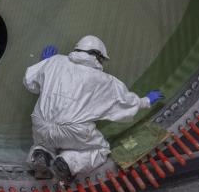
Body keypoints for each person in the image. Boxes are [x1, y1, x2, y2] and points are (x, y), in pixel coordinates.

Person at [24, 35, 163, 183]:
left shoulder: (55, 61)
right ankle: (67, 164)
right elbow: (124, 103)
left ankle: (40, 155)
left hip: (41, 122)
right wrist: (146, 100)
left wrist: (44, 62)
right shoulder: (104, 80)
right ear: (97, 56)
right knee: (99, 150)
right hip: (72, 129)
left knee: (42, 143)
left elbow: (30, 82)